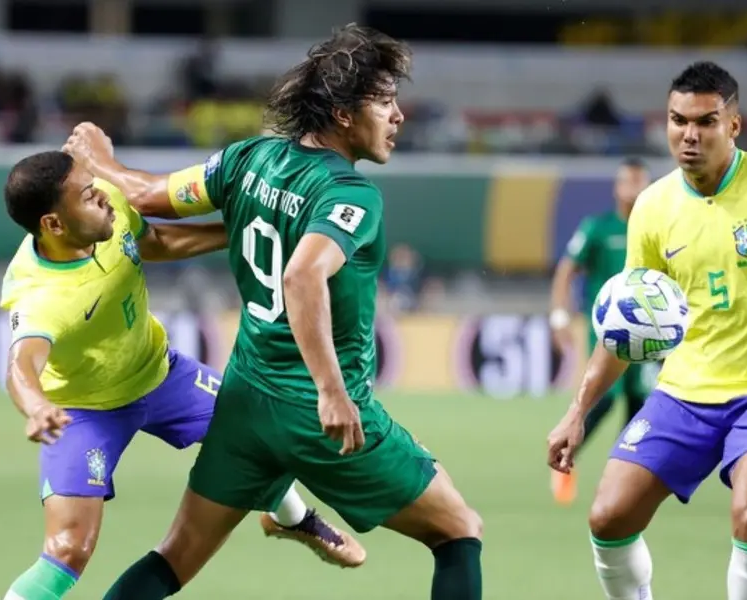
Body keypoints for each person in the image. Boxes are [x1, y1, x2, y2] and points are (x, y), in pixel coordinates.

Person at [64, 23, 484, 600]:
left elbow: (149, 195)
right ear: (341, 114)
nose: (398, 116)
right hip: (318, 417)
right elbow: (301, 275)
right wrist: (332, 391)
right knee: (459, 530)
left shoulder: (248, 159)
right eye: (384, 103)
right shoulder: (350, 195)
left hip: (244, 403)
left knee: (175, 556)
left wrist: (101, 160)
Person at [0, 150, 365, 600]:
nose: (104, 197)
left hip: (160, 374)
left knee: (263, 432)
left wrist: (239, 230)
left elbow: (154, 242)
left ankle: (291, 519)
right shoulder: (39, 296)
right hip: (84, 413)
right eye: (88, 195)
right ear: (53, 224)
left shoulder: (106, 210)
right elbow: (21, 365)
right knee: (68, 550)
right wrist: (36, 407)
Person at [546, 61, 747, 600]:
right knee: (608, 517)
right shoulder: (653, 208)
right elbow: (627, 328)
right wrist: (577, 411)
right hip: (682, 394)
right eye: (678, 120)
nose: (689, 134)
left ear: (734, 125)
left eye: (705, 121)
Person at [548, 157, 653, 505]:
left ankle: (625, 475)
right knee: (604, 398)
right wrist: (559, 315)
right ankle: (565, 457)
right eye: (627, 181)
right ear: (617, 187)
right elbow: (567, 269)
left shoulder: (656, 228)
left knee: (641, 402)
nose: (633, 188)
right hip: (607, 332)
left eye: (639, 182)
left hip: (649, 332)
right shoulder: (597, 227)